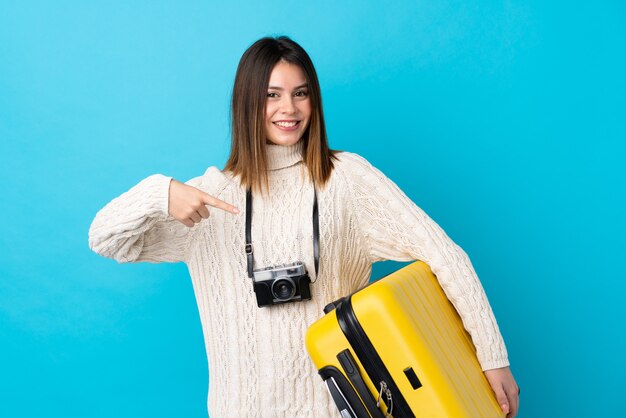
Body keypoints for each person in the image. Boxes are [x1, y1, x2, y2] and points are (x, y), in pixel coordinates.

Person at [88, 36, 519, 417]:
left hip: (343, 405)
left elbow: (445, 255)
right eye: (271, 95)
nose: (288, 109)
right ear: (246, 102)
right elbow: (105, 239)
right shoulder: (206, 198)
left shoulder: (347, 179)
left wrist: (492, 357)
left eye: (301, 94)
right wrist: (160, 192)